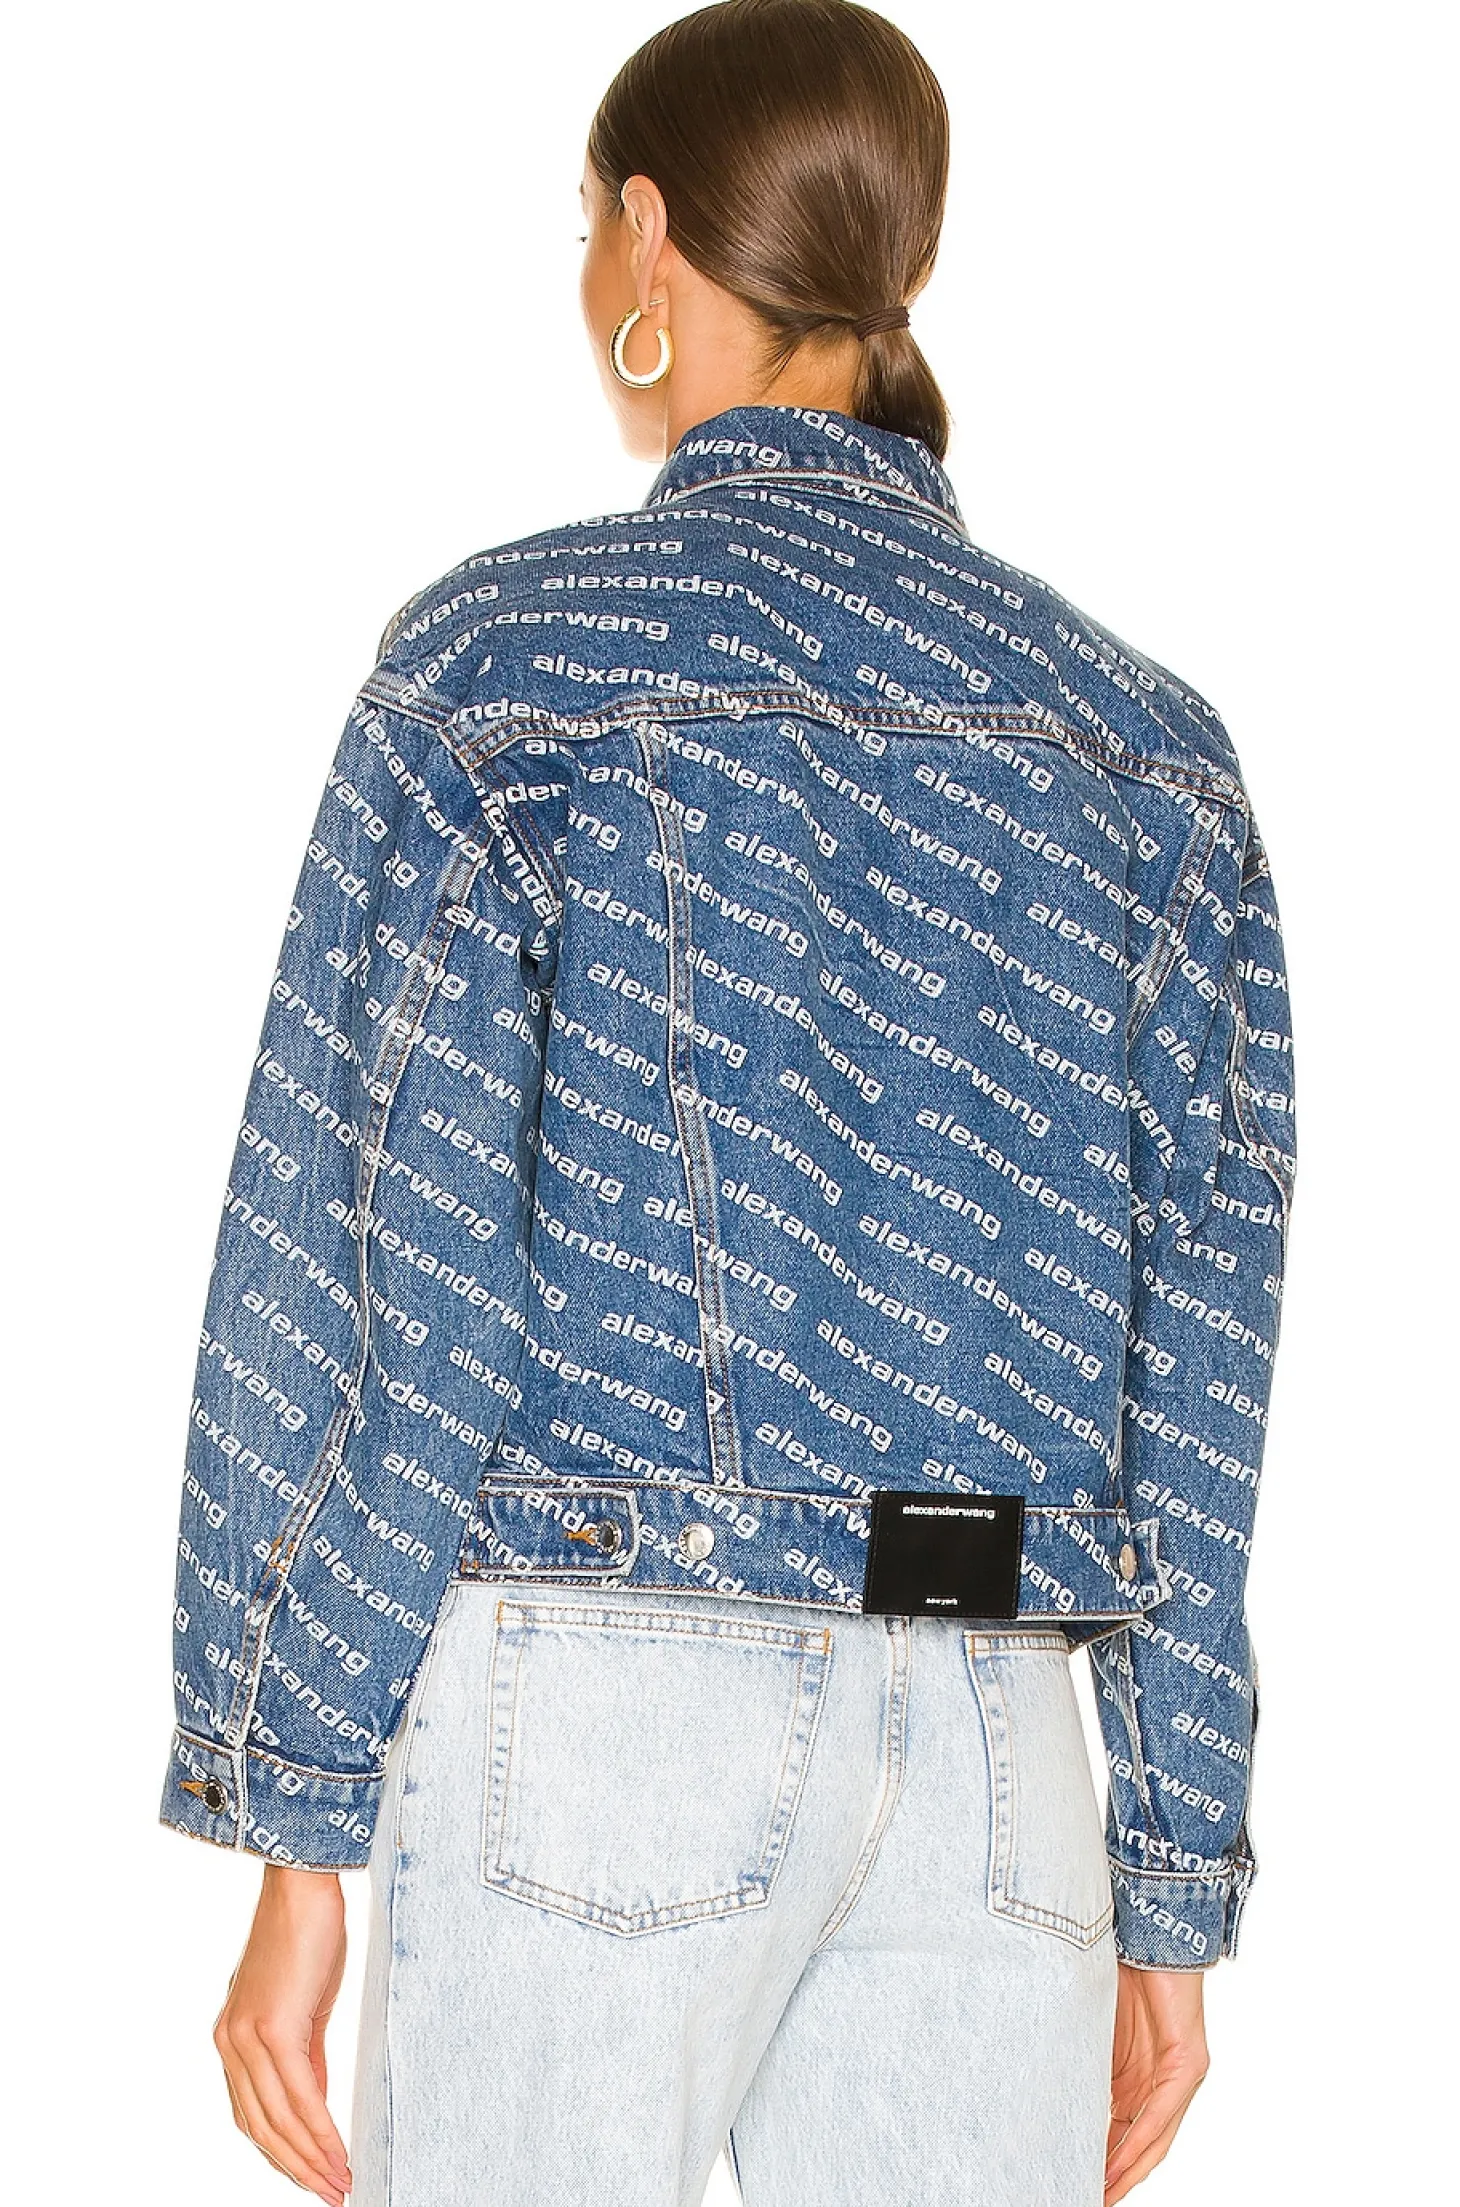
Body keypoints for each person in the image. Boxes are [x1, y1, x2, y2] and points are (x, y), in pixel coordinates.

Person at [159, 4, 1297, 2203]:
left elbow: (380, 1272)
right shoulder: (1144, 749)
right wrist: (1167, 1873)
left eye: (584, 231)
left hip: (594, 1723)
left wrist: (290, 1806)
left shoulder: (509, 670)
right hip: (1000, 1752)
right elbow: (1200, 1373)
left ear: (650, 238)